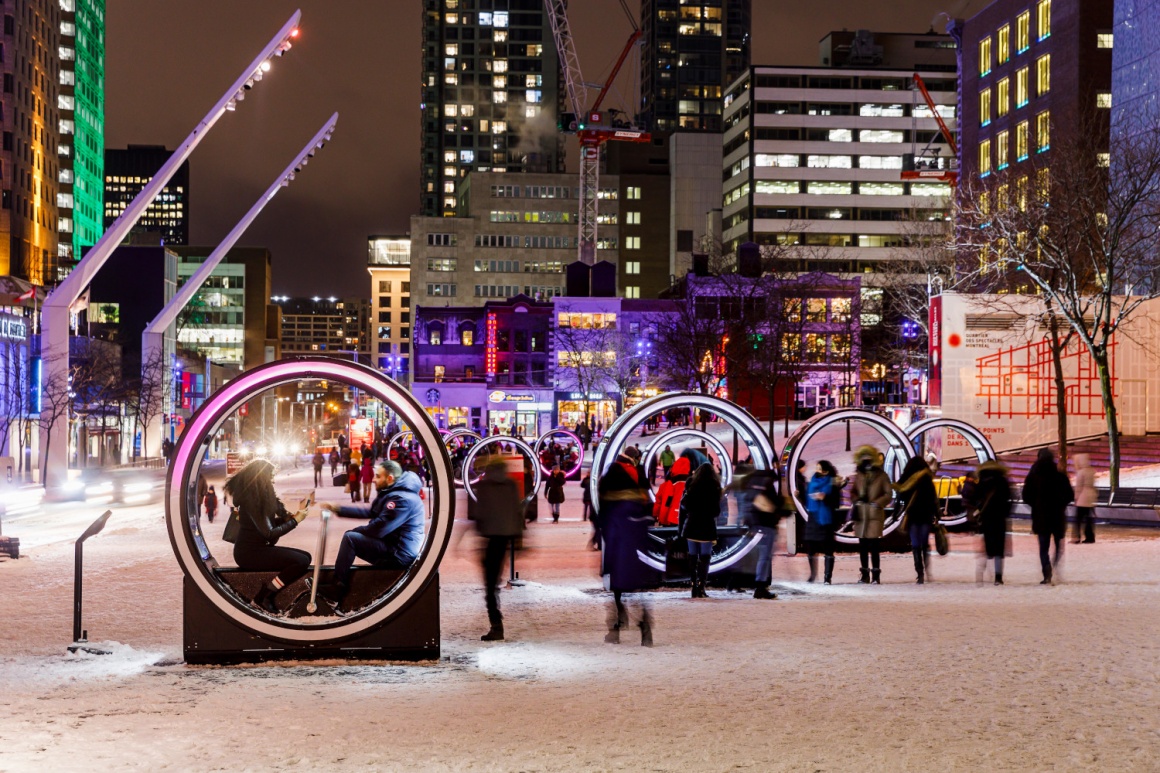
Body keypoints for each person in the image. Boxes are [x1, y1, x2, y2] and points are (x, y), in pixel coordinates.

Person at [319, 460, 426, 608]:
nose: (373, 480)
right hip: (394, 546)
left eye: (378, 476)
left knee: (351, 539)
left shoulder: (401, 500)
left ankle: (337, 589)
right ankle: (336, 584)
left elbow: (379, 529)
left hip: (399, 554)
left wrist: (355, 533)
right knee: (352, 537)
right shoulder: (393, 493)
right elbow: (370, 512)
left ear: (389, 479)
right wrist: (338, 509)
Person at [224, 459, 313, 614]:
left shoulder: (258, 499)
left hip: (258, 549)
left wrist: (287, 518)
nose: (272, 481)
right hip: (249, 554)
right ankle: (264, 596)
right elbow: (269, 532)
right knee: (301, 561)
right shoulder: (251, 502)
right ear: (261, 478)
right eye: (270, 477)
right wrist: (295, 521)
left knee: (306, 557)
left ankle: (267, 594)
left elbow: (267, 525)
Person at [599, 452, 658, 645]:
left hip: (617, 538)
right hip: (636, 540)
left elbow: (602, 511)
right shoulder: (639, 481)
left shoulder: (611, 480)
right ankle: (645, 624)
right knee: (638, 584)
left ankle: (616, 624)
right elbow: (649, 507)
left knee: (616, 584)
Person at [472, 458, 524, 642]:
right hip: (505, 539)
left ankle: (496, 625)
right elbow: (518, 512)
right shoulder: (511, 484)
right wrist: (519, 539)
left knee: (490, 585)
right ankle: (496, 621)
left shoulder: (484, 485)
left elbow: (478, 513)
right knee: (493, 583)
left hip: (490, 539)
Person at [1023, 447, 1074, 585]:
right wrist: (1060, 504)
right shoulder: (1060, 476)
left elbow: (1025, 496)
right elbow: (1070, 495)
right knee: (1058, 545)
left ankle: (1047, 572)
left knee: (1043, 547)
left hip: (1041, 517)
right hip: (1057, 516)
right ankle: (1055, 565)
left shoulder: (1033, 476)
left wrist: (1036, 505)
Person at [895, 455, 940, 584]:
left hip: (912, 515)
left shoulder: (906, 479)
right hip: (926, 515)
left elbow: (900, 496)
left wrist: (895, 512)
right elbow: (933, 498)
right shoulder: (927, 479)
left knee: (915, 544)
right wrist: (938, 515)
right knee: (924, 543)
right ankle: (927, 570)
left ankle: (919, 573)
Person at [679, 462, 721, 598]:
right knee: (705, 558)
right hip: (707, 526)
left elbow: (685, 506)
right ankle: (701, 586)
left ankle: (693, 586)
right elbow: (716, 511)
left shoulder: (692, 485)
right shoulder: (714, 487)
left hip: (692, 525)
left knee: (692, 557)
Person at [852, 446, 892, 585]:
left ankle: (875, 575)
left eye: (869, 460)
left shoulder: (881, 476)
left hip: (874, 515)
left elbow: (888, 494)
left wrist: (877, 503)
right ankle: (865, 575)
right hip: (862, 515)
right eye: (864, 460)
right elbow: (854, 492)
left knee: (874, 546)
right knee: (863, 547)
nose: (866, 463)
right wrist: (856, 500)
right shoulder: (859, 475)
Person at [743, 467, 782, 599]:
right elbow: (776, 505)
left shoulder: (752, 488)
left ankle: (756, 585)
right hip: (767, 526)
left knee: (760, 557)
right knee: (765, 558)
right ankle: (760, 587)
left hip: (755, 526)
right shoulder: (767, 487)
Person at [974, 460, 1011, 585]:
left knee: (988, 546)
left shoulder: (982, 481)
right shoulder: (1003, 481)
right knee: (999, 549)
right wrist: (1006, 513)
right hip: (1000, 518)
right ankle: (998, 577)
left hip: (987, 518)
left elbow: (976, 499)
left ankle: (985, 573)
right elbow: (1009, 499)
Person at [804, 460, 839, 584]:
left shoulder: (832, 482)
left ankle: (827, 577)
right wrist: (799, 496)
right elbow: (806, 498)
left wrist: (825, 497)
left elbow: (836, 502)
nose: (817, 470)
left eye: (820, 468)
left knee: (828, 548)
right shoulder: (812, 481)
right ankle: (812, 575)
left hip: (826, 519)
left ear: (826, 470)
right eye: (817, 467)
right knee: (811, 548)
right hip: (813, 517)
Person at [1072, 453, 1097, 544]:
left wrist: (1076, 498)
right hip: (1091, 497)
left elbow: (1078, 487)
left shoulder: (1081, 472)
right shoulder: (1091, 471)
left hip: (1082, 498)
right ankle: (1090, 537)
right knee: (1089, 519)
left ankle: (1076, 537)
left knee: (1078, 519)